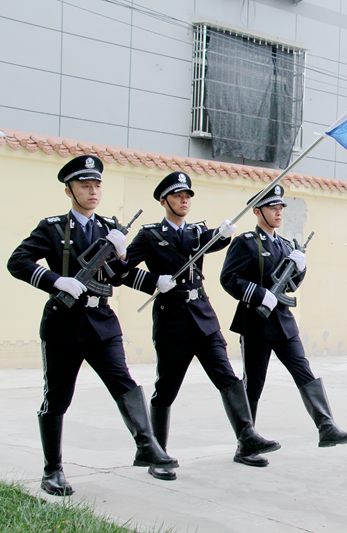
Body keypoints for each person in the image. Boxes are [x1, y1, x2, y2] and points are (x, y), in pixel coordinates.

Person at [7, 155, 178, 497]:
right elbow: (18, 261)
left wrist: (132, 262)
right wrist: (56, 281)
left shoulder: (108, 227)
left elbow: (118, 275)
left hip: (102, 322)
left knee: (124, 383)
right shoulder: (52, 227)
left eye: (97, 184)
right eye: (85, 185)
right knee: (57, 398)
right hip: (63, 324)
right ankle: (52, 469)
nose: (92, 190)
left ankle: (146, 444)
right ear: (69, 190)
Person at [124, 172, 280, 477]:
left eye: (188, 196)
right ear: (163, 200)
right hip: (172, 319)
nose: (184, 201)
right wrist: (153, 281)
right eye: (178, 196)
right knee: (166, 389)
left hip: (203, 316)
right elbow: (121, 269)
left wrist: (223, 234)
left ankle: (246, 437)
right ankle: (158, 454)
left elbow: (212, 242)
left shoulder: (195, 232)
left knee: (228, 377)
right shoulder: (150, 235)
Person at [220, 184, 347, 448]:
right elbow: (229, 279)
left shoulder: (284, 245)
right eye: (273, 207)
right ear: (258, 211)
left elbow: (290, 285)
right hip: (256, 323)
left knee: (304, 372)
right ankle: (245, 442)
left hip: (283, 324)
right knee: (253, 385)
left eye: (281, 207)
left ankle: (326, 426)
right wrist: (260, 295)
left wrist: (301, 268)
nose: (279, 212)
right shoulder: (245, 243)